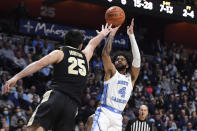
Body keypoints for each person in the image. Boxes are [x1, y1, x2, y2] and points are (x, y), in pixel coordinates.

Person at [3, 23, 112, 131]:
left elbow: (38, 64)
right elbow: (92, 44)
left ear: (66, 42)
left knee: (36, 128)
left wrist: (16, 77)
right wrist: (102, 34)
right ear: (80, 45)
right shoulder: (85, 56)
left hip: (56, 96)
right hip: (73, 105)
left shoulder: (60, 53)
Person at [91, 18, 141, 131]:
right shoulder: (112, 72)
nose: (118, 60)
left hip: (118, 116)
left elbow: (137, 59)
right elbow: (105, 54)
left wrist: (131, 36)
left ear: (128, 65)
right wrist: (111, 36)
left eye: (122, 59)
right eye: (117, 59)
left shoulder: (131, 78)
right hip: (104, 112)